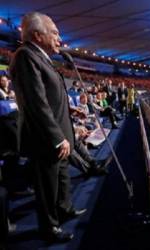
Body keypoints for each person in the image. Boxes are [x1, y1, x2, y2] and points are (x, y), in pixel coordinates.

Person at [9, 12, 86, 243]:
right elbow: (36, 101)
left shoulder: (40, 56)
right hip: (45, 138)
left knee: (61, 178)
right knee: (47, 185)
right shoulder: (26, 56)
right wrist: (56, 137)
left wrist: (70, 111)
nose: (59, 37)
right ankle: (49, 228)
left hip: (58, 134)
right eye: (54, 31)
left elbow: (50, 95)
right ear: (37, 35)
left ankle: (64, 209)